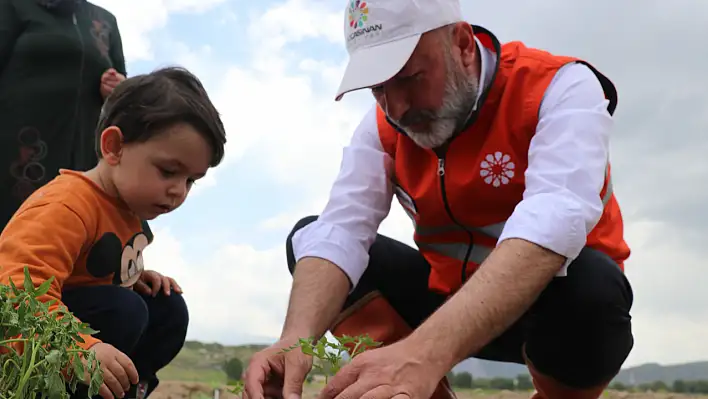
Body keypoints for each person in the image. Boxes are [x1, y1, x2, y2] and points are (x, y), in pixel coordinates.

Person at [243, 0, 635, 398]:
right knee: (311, 239)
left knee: (591, 285)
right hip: (443, 301)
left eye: (410, 78)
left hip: (550, 313)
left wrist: (423, 353)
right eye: (379, 88)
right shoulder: (383, 127)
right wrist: (294, 339)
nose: (396, 108)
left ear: (463, 44)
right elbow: (341, 228)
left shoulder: (561, 87)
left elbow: (551, 221)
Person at [0, 66, 227, 399]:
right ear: (115, 146)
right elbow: (15, 296)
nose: (178, 191)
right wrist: (79, 350)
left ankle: (128, 387)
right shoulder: (66, 205)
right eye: (168, 171)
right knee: (125, 309)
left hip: (79, 331)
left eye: (191, 180)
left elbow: (89, 276)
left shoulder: (127, 209)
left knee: (167, 307)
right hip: (32, 352)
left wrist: (135, 278)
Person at [0, 0, 127, 230]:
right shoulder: (14, 5)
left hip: (82, 158)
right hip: (16, 153)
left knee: (63, 235)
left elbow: (125, 96)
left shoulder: (105, 21)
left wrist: (117, 88)